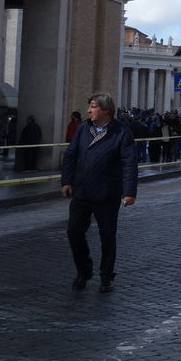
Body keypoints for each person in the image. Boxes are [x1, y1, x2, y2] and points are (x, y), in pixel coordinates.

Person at [61, 93, 137, 293]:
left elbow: (129, 163)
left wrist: (129, 192)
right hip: (82, 191)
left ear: (105, 110)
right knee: (74, 232)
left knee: (107, 236)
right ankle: (84, 270)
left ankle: (106, 276)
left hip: (107, 193)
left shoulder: (121, 132)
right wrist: (67, 180)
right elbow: (71, 155)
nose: (89, 111)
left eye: (93, 107)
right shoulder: (82, 129)